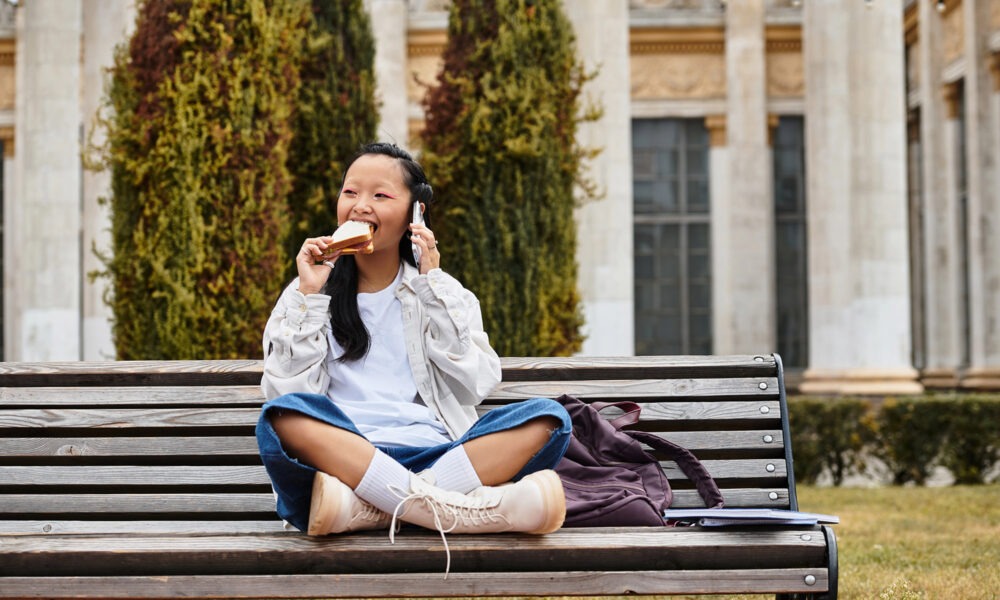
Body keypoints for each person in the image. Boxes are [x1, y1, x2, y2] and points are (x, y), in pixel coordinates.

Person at [255, 143, 571, 547]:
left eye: (380, 195)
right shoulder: (306, 292)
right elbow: (286, 393)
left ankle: (370, 508)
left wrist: (432, 285)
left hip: (436, 456)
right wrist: (310, 298)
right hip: (340, 461)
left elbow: (473, 385)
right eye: (350, 192)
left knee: (550, 419)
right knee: (282, 416)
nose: (360, 206)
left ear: (414, 213)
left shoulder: (441, 292)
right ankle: (454, 509)